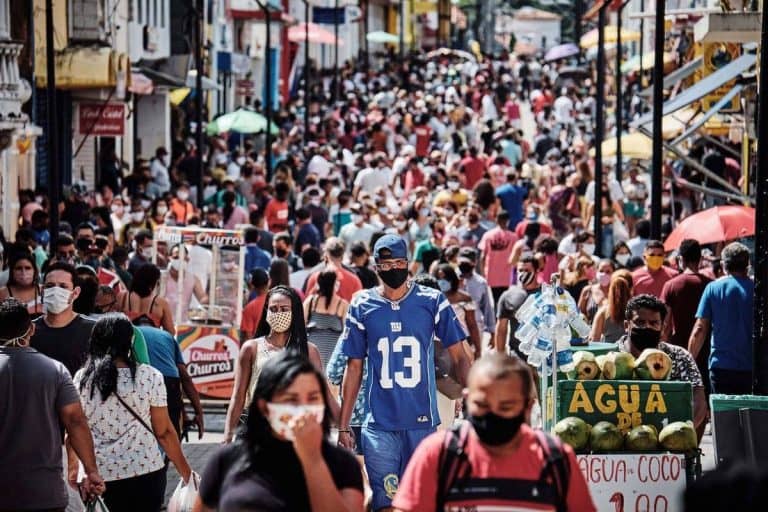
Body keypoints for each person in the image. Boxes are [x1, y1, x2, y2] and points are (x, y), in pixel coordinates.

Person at [338, 234, 472, 511]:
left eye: (399, 262)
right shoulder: (362, 304)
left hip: (421, 420)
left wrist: (475, 405)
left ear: (408, 264)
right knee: (386, 502)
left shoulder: (432, 300)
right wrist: (343, 423)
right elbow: (354, 367)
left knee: (420, 503)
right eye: (386, 264)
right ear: (376, 267)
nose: (393, 269)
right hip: (378, 423)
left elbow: (460, 355)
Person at [391, 352, 596, 512]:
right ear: (466, 399)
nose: (493, 415)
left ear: (528, 407)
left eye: (506, 407)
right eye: (482, 405)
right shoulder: (438, 455)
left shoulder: (555, 460)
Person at [196, 352, 364, 511]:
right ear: (265, 408)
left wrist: (313, 460)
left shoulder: (344, 465)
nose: (303, 409)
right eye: (291, 399)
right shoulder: (228, 460)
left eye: (313, 398)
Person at [72, 314, 192, 511]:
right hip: (145, 472)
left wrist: (79, 470)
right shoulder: (150, 376)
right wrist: (187, 474)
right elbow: (164, 432)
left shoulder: (83, 379)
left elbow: (76, 428)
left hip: (102, 475)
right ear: (131, 341)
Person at [0, 298, 106, 512]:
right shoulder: (54, 370)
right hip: (43, 492)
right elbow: (75, 422)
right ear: (31, 329)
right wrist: (91, 470)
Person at [224, 286, 328, 443]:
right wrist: (227, 436)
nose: (279, 314)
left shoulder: (308, 351)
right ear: (266, 311)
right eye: (273, 309)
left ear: (295, 313)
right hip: (253, 430)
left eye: (284, 309)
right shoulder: (251, 348)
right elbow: (238, 396)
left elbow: (319, 398)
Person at [618, 295, 707, 441]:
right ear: (627, 325)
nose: (647, 327)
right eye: (640, 322)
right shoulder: (611, 357)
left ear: (663, 327)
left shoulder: (680, 356)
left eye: (654, 323)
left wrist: (680, 433)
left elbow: (698, 399)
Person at [689, 242, 754, 395]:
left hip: (721, 365)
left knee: (722, 416)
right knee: (751, 417)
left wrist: (689, 360)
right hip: (752, 367)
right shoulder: (758, 288)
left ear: (724, 265)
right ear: (748, 265)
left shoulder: (713, 288)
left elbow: (700, 329)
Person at [661, 239, 712, 391]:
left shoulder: (671, 285)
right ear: (700, 259)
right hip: (706, 351)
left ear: (681, 259)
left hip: (677, 350)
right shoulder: (710, 285)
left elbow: (665, 324)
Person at [139, 324, 205, 439]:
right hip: (170, 381)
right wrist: (198, 412)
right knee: (171, 430)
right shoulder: (167, 336)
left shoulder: (132, 331)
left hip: (143, 380)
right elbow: (185, 378)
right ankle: (172, 454)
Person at [31, 261, 96, 377]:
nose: (56, 291)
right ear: (42, 291)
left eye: (63, 286)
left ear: (75, 293)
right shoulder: (29, 331)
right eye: (50, 286)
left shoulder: (93, 330)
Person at [434, 263, 482, 359]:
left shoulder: (464, 298)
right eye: (439, 279)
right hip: (441, 343)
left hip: (463, 341)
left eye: (445, 279)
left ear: (452, 279)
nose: (442, 282)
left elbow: (472, 324)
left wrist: (478, 349)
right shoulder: (433, 299)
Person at [495, 255, 541, 355]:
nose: (523, 273)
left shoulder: (546, 294)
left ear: (537, 271)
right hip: (517, 354)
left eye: (527, 270)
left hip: (542, 354)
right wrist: (500, 356)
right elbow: (501, 329)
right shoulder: (508, 296)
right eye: (520, 270)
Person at [304, 269, 348, 370]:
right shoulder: (343, 305)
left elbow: (300, 325)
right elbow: (347, 332)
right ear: (333, 283)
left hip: (313, 354)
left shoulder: (310, 302)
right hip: (331, 355)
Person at [118, 263, 175, 333]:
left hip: (127, 342)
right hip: (150, 342)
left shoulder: (122, 297)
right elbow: (171, 332)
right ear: (153, 283)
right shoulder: (161, 303)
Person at [304, 237, 363, 302]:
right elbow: (359, 306)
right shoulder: (354, 279)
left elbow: (306, 304)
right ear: (342, 256)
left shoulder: (314, 276)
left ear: (325, 256)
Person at [478, 210, 518, 304]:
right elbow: (516, 256)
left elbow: (482, 256)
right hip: (506, 275)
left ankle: (497, 317)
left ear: (497, 220)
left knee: (495, 299)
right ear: (508, 221)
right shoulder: (513, 237)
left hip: (492, 274)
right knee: (504, 299)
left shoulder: (488, 235)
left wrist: (482, 273)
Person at [165, 245, 209, 322]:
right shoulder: (162, 277)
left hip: (183, 324)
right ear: (169, 258)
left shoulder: (193, 279)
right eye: (176, 258)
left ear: (187, 260)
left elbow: (202, 298)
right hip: (162, 322)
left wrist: (208, 298)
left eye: (183, 258)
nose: (179, 260)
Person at [590, 269, 633, 343]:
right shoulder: (637, 311)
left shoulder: (603, 311)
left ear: (611, 287)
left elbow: (594, 339)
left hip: (608, 353)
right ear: (631, 288)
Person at [0, 252, 43, 318]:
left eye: (28, 268)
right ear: (12, 272)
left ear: (34, 271)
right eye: (19, 268)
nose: (23, 272)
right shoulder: (2, 293)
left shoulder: (43, 291)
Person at [578, 258, 615, 323]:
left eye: (608, 272)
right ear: (596, 271)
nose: (604, 274)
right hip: (590, 331)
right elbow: (579, 313)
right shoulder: (587, 291)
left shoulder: (617, 292)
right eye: (601, 271)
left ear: (613, 273)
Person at [241, 269, 270, 340]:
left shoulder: (249, 308)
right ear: (269, 282)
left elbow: (248, 337)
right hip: (279, 349)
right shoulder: (280, 301)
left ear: (252, 285)